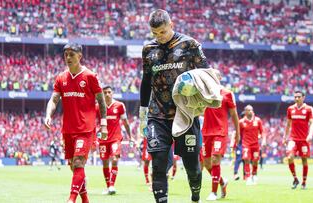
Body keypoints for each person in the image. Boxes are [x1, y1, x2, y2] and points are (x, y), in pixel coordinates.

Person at [139, 9, 209, 203]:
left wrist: (194, 89)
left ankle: (195, 194)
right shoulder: (148, 50)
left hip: (185, 115)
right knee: (159, 164)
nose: (159, 37)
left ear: (172, 25)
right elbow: (146, 81)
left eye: (163, 32)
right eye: (155, 33)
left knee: (192, 166)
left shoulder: (190, 44)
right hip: (157, 115)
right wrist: (143, 112)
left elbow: (207, 74)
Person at [44, 43, 108, 203]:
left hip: (86, 128)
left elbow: (101, 101)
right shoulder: (61, 77)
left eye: (71, 54)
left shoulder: (90, 76)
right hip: (68, 129)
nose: (68, 57)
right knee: (74, 167)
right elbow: (54, 99)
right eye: (65, 54)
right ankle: (85, 200)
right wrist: (48, 115)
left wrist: (104, 124)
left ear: (80, 56)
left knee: (79, 161)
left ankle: (71, 199)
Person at [201, 83, 240, 201]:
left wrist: (237, 133)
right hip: (206, 132)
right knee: (207, 164)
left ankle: (213, 192)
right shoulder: (203, 93)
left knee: (215, 159)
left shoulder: (227, 93)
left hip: (220, 132)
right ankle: (222, 182)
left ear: (219, 79)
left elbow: (234, 114)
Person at [98, 85, 132, 195]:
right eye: (105, 92)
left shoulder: (119, 105)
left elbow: (125, 122)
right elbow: (93, 123)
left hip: (115, 138)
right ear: (102, 94)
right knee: (105, 163)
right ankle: (108, 187)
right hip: (103, 139)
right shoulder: (98, 106)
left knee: (115, 159)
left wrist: (130, 136)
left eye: (109, 92)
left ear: (112, 93)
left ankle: (112, 185)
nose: (107, 94)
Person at [283, 91, 313, 190]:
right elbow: (288, 124)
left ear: (303, 97)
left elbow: (312, 123)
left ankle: (304, 182)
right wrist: (285, 137)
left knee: (304, 160)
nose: (297, 99)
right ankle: (295, 179)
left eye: (299, 97)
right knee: (289, 157)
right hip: (293, 139)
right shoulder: (290, 109)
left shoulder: (309, 109)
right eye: (295, 97)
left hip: (304, 139)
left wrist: (310, 134)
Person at [239, 105, 266, 185]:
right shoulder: (241, 122)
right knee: (246, 158)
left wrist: (264, 140)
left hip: (255, 145)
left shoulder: (258, 120)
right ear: (245, 112)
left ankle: (254, 174)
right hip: (246, 144)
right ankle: (248, 177)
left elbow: (262, 131)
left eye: (252, 110)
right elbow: (239, 134)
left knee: (255, 160)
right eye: (249, 110)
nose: (251, 111)